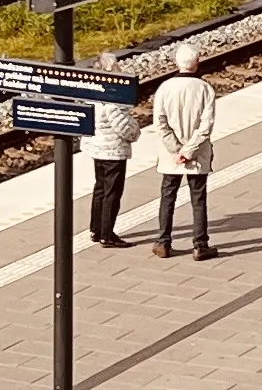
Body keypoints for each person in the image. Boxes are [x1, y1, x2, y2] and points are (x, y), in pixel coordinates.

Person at [148, 42, 221, 259]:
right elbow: (206, 126)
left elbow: (160, 122)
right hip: (196, 156)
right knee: (198, 198)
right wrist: (188, 151)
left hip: (171, 157)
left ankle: (163, 242)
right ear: (196, 64)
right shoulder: (205, 89)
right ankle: (200, 244)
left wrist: (175, 149)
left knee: (167, 196)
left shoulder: (164, 88)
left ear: (176, 63)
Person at [86, 79, 143, 246]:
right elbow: (124, 127)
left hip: (97, 149)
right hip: (113, 151)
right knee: (112, 193)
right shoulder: (112, 101)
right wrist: (135, 132)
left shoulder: (92, 94)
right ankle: (107, 234)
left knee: (100, 190)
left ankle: (95, 230)